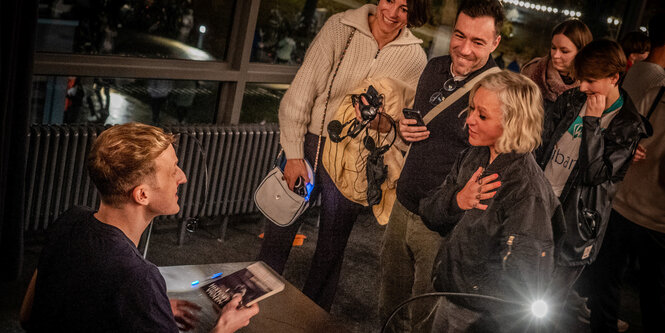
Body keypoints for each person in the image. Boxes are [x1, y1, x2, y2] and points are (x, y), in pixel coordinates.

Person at [257, 0, 429, 312]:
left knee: (332, 248)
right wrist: (294, 153)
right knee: (278, 233)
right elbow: (302, 91)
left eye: (404, 8)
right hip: (313, 144)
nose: (392, 13)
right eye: (390, 1)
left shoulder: (415, 57)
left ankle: (310, 319)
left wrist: (383, 123)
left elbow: (401, 127)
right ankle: (249, 309)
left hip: (357, 159)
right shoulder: (341, 27)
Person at [22, 123, 259, 332]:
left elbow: (27, 317)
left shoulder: (70, 220)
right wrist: (224, 327)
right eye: (172, 170)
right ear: (142, 194)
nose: (183, 177)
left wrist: (149, 310)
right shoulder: (139, 277)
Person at [379, 0, 504, 331]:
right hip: (403, 204)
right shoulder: (434, 67)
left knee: (427, 319)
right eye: (459, 36)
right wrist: (404, 130)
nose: (463, 49)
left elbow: (500, 161)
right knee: (389, 308)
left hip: (444, 224)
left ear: (496, 43)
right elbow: (421, 127)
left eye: (478, 42)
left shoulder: (496, 92)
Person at [420, 70, 563, 333]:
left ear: (514, 123)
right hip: (450, 294)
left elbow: (525, 281)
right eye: (472, 109)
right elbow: (429, 212)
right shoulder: (473, 156)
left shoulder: (527, 190)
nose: (469, 120)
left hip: (480, 318)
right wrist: (457, 201)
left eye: (482, 115)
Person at [535, 39, 648, 325]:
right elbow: (541, 145)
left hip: (574, 225)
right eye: (581, 79)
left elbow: (593, 175)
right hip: (538, 207)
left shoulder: (627, 124)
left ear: (614, 78)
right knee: (514, 290)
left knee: (544, 306)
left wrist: (593, 123)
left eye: (591, 80)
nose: (583, 87)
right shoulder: (572, 99)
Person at [586, 13, 665, 333]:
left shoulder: (635, 78)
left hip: (618, 202)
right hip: (654, 214)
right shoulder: (657, 84)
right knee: (654, 300)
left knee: (605, 289)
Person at [522, 19, 592, 109]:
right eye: (553, 48)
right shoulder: (532, 72)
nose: (555, 55)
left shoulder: (590, 85)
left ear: (581, 52)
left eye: (564, 51)